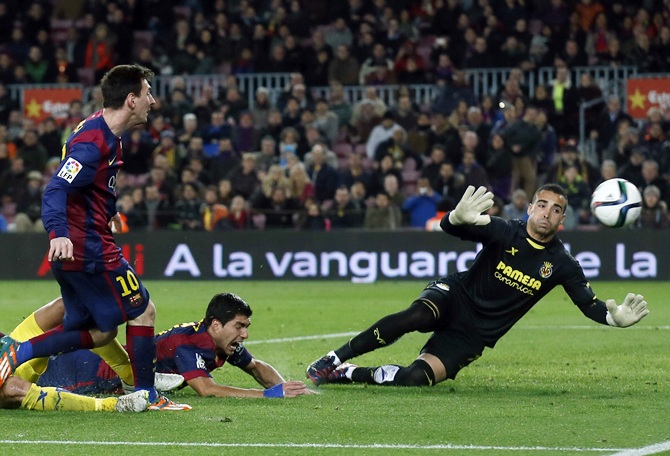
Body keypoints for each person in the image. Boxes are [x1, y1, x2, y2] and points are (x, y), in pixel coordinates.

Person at [306, 184, 649, 387]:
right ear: (530, 208)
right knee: (416, 316)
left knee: (416, 380)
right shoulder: (504, 230)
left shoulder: (562, 264)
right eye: (541, 205)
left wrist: (610, 318)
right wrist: (456, 217)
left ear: (563, 220)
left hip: (475, 334)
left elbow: (589, 304)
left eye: (556, 209)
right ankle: (333, 358)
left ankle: (348, 374)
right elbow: (454, 229)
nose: (547, 213)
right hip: (456, 296)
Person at [0, 65, 189, 411]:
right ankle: (146, 394)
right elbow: (56, 187)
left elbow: (90, 186)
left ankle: (18, 350)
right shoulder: (92, 143)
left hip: (80, 247)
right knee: (143, 310)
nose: (153, 100)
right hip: (88, 249)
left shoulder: (99, 130)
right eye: (148, 93)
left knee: (101, 332)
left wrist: (108, 210)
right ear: (131, 100)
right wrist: (59, 232)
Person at [3, 293, 313, 401]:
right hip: (92, 372)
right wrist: (267, 395)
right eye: (240, 327)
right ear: (216, 325)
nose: (244, 335)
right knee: (16, 382)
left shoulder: (219, 341)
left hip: (105, 364)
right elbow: (206, 389)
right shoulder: (189, 346)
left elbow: (256, 367)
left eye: (246, 327)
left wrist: (286, 386)